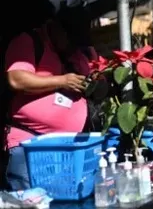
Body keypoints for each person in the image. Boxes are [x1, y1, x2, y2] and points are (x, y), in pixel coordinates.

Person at [3, 10, 93, 187]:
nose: (72, 45)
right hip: (29, 146)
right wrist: (62, 81)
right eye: (70, 39)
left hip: (68, 149)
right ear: (56, 27)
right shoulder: (28, 41)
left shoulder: (76, 52)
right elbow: (16, 79)